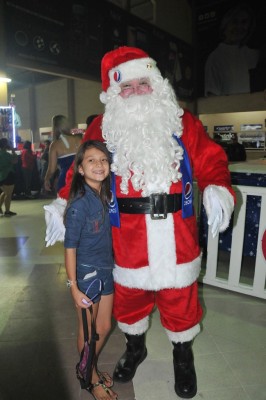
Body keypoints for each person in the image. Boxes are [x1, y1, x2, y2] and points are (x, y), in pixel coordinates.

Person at [44, 46, 236, 399]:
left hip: (178, 231)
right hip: (125, 234)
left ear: (157, 84)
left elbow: (212, 159)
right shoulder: (104, 125)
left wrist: (218, 188)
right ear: (114, 94)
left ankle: (182, 356)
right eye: (126, 88)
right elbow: (81, 169)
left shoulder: (182, 120)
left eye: (142, 84)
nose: (135, 93)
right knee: (130, 302)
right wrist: (62, 204)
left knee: (181, 299)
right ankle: (135, 349)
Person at [64, 140, 117, 400]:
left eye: (103, 160)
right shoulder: (79, 204)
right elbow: (70, 247)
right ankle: (90, 379)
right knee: (88, 334)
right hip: (87, 275)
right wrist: (73, 286)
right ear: (81, 169)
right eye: (91, 160)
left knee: (104, 326)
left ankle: (86, 367)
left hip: (106, 270)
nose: (99, 164)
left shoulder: (105, 196)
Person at [204, 3, 259, 96]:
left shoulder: (249, 54)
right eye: (235, 22)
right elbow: (212, 99)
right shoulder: (215, 58)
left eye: (244, 22)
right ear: (226, 24)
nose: (239, 27)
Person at [44, 115, 82, 193]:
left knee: (65, 203)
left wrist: (47, 179)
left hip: (65, 180)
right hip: (81, 178)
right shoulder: (79, 140)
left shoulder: (55, 145)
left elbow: (52, 169)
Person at [0, 138, 18, 217]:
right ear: (6, 145)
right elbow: (15, 161)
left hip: (1, 175)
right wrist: (13, 151)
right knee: (8, 194)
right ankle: (7, 211)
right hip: (8, 175)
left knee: (4, 193)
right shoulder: (6, 155)